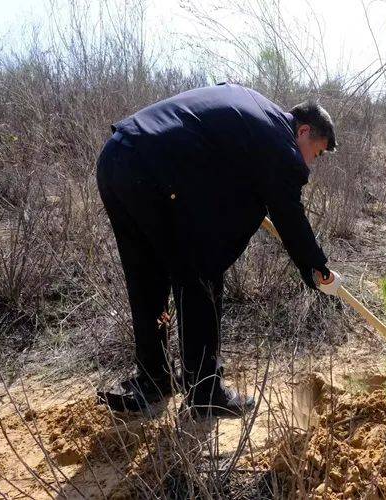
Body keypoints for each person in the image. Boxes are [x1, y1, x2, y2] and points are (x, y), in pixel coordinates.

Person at [96, 83, 343, 417]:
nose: (312, 163)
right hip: (151, 173)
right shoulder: (280, 144)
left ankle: (152, 379)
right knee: (200, 270)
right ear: (302, 131)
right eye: (317, 152)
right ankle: (205, 392)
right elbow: (289, 216)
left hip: (117, 159)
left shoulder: (256, 110)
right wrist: (317, 269)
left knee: (145, 273)